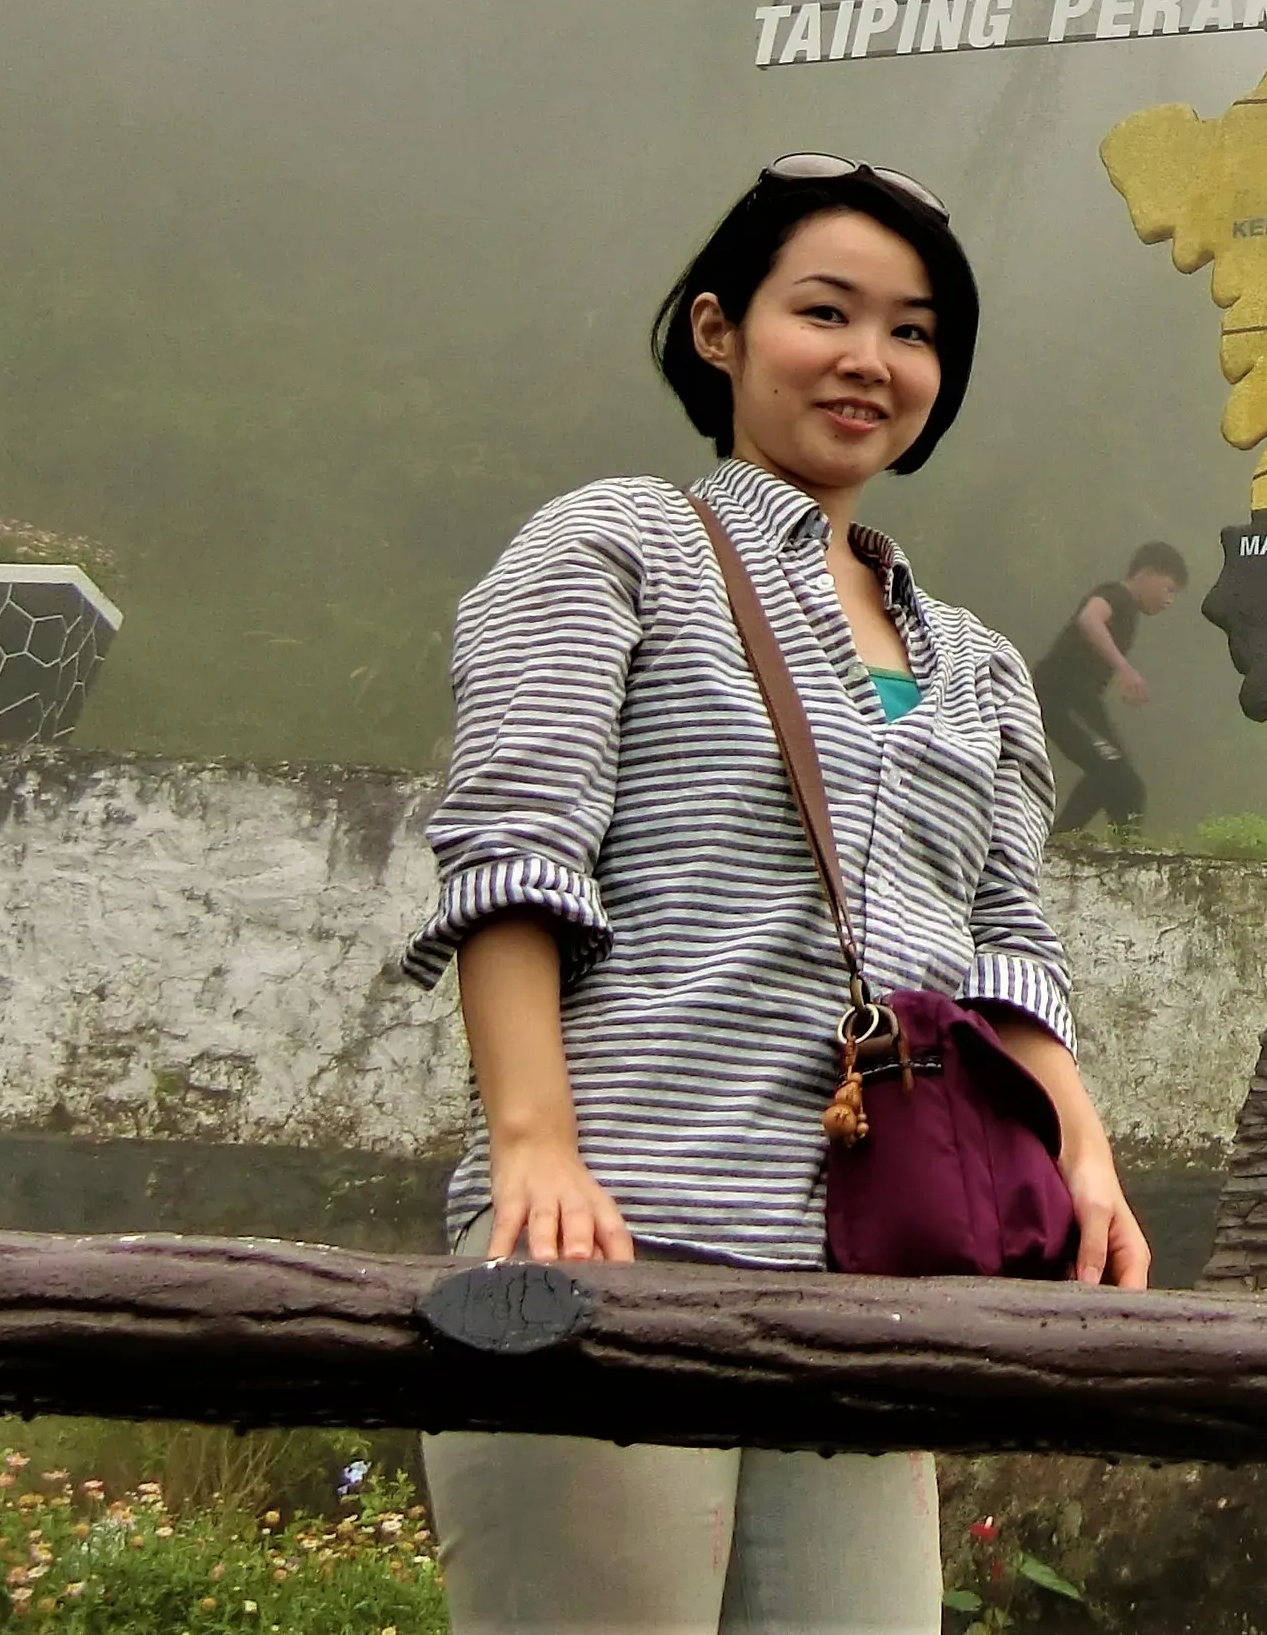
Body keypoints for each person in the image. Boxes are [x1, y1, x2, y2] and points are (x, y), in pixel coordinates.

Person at [404, 156, 1145, 1635]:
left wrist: (1085, 1152)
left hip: (878, 1272)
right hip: (620, 1235)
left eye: (917, 330)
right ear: (717, 330)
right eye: (828, 312)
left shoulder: (983, 666)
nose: (873, 361)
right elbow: (514, 854)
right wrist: (536, 1151)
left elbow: (1007, 942)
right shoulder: (611, 548)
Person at [1036, 542, 1187, 835]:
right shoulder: (1116, 595)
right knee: (1112, 770)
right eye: (1169, 589)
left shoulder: (1128, 611)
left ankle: (1123, 853)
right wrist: (1124, 669)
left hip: (1081, 701)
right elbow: (1089, 619)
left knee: (1127, 785)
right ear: (1146, 573)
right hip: (1060, 696)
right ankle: (1058, 844)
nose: (1170, 601)